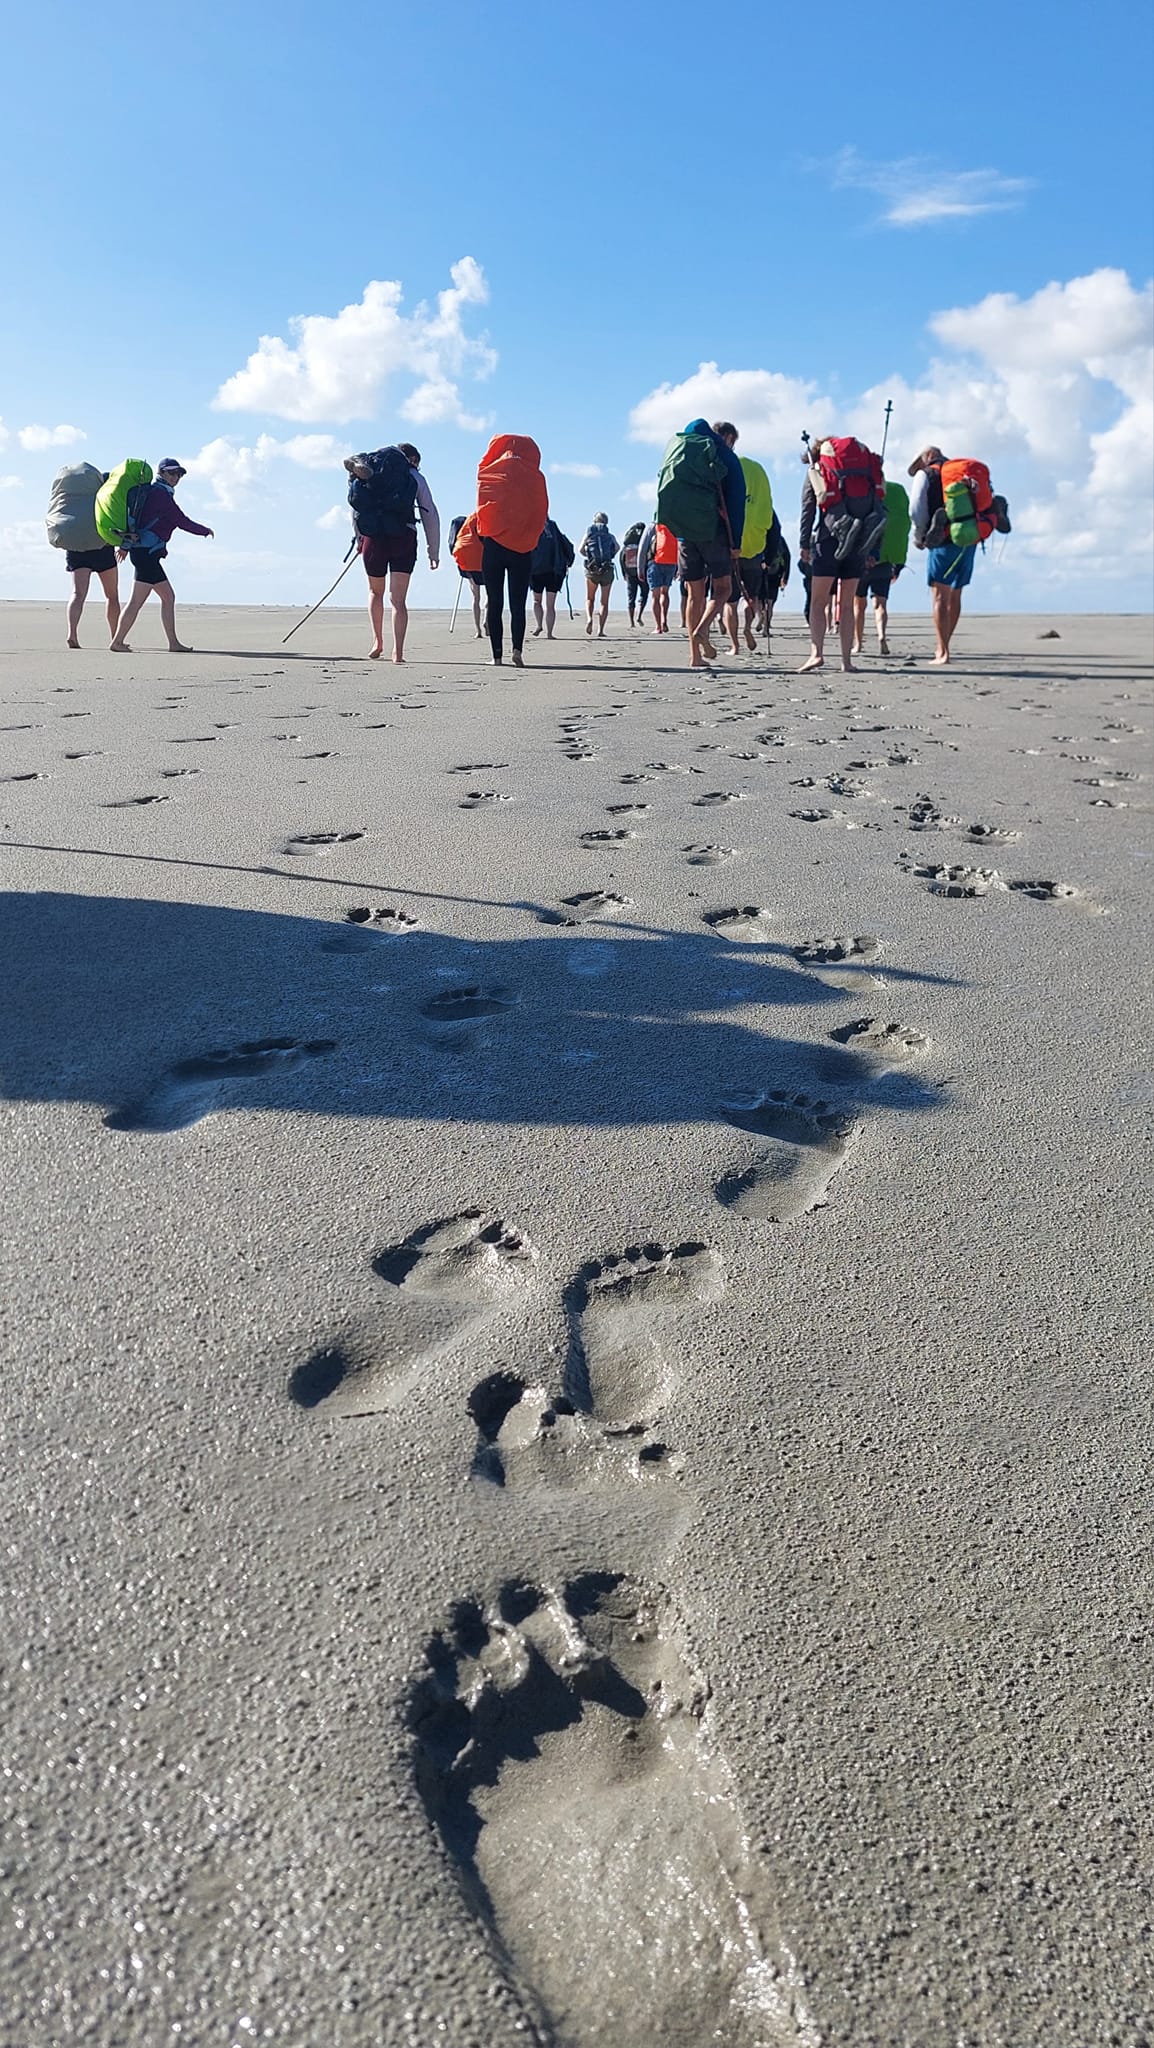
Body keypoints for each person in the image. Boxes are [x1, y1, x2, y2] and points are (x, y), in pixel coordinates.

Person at [908, 446, 1006, 666]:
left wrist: (919, 534)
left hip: (941, 539)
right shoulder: (962, 474)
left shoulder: (927, 474)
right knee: (955, 595)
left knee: (939, 596)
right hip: (969, 535)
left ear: (925, 459)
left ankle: (943, 651)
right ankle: (944, 645)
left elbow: (915, 508)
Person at [797, 432, 886, 674]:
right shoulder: (864, 471)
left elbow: (808, 509)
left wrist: (804, 543)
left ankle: (817, 654)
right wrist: (874, 549)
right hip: (859, 541)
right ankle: (846, 661)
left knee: (818, 601)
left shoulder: (818, 471)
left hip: (828, 540)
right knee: (847, 605)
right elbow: (879, 503)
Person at [348, 442, 439, 663]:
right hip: (403, 537)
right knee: (398, 600)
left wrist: (360, 537)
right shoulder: (414, 476)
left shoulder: (371, 473)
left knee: (375, 592)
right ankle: (398, 652)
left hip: (373, 538)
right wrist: (433, 550)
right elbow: (430, 513)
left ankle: (377, 641)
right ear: (413, 459)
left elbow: (356, 508)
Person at [109, 459, 213, 653]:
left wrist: (126, 546)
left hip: (144, 553)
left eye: (179, 474)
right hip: (146, 555)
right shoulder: (160, 495)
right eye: (172, 473)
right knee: (153, 599)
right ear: (162, 473)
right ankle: (122, 642)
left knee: (158, 598)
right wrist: (204, 530)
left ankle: (124, 641)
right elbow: (181, 520)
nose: (176, 477)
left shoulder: (154, 492)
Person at [675, 418, 745, 669]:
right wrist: (735, 542)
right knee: (723, 590)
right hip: (714, 532)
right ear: (726, 438)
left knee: (694, 595)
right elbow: (736, 503)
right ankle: (703, 629)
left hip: (684, 535)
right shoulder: (726, 457)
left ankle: (695, 657)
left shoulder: (679, 453)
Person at [474, 435, 549, 667]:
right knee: (518, 603)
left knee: (494, 601)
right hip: (522, 547)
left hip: (494, 545)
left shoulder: (490, 473)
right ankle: (517, 650)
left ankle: (496, 656)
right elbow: (541, 512)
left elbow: (481, 510)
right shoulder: (536, 478)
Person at [46, 462, 120, 648]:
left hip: (76, 547)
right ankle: (115, 637)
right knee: (111, 595)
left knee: (78, 594)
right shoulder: (103, 492)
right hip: (101, 545)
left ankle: (72, 634)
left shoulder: (71, 497)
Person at [726, 443, 775, 653]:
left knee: (731, 601)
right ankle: (747, 628)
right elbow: (775, 527)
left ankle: (734, 645)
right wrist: (770, 557)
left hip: (730, 548)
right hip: (755, 549)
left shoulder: (728, 468)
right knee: (752, 598)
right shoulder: (758, 472)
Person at [854, 478, 909, 657]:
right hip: (884, 561)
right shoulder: (894, 502)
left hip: (861, 561)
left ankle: (858, 643)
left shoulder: (864, 503)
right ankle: (882, 636)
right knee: (880, 604)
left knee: (858, 605)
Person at [529, 516, 574, 638]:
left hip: (536, 570)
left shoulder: (531, 525)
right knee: (550, 605)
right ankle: (549, 633)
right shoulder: (553, 526)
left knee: (536, 601)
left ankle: (539, 625)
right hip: (554, 570)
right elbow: (566, 544)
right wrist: (568, 562)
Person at [637, 520, 678, 634]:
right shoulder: (673, 524)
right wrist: (678, 567)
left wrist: (640, 569)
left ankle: (658, 627)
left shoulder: (652, 527)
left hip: (655, 562)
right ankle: (664, 619)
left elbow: (643, 548)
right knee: (665, 592)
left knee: (655, 595)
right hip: (671, 562)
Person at [581, 513, 618, 637]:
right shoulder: (610, 536)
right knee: (604, 602)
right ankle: (601, 630)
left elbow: (580, 549)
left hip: (592, 570)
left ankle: (589, 619)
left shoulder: (589, 534)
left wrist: (589, 557)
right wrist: (611, 554)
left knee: (590, 598)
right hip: (607, 569)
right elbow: (617, 548)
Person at [450, 513, 485, 636]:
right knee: (491, 595)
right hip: (483, 559)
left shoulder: (463, 526)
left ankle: (478, 630)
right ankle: (486, 621)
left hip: (469, 561)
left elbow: (452, 543)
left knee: (476, 597)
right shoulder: (482, 521)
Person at [619, 522, 648, 626]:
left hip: (630, 572)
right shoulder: (643, 542)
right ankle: (639, 616)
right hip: (642, 572)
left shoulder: (628, 544)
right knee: (644, 594)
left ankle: (631, 622)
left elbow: (621, 558)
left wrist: (624, 573)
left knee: (631, 596)